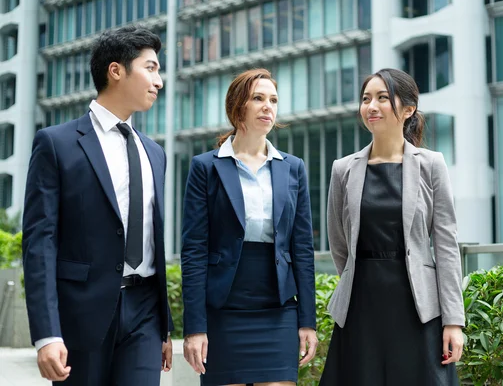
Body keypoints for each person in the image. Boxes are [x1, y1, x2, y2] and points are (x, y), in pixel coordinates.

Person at [22, 26, 173, 385]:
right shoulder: (56, 144)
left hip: (145, 313)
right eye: (150, 68)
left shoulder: (155, 153)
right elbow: (39, 241)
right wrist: (47, 333)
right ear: (116, 70)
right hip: (81, 315)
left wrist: (164, 325)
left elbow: (152, 238)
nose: (159, 81)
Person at [320, 68, 465, 385]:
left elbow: (446, 246)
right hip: (361, 305)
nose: (371, 106)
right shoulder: (343, 170)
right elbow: (339, 244)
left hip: (418, 306)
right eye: (365, 99)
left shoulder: (431, 165)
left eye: (382, 98)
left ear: (408, 109)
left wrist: (453, 321)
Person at [180, 68, 318, 386]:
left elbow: (302, 250)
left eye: (273, 99)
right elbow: (194, 251)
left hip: (279, 310)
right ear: (238, 105)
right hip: (223, 310)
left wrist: (307, 321)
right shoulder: (206, 167)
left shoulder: (293, 168)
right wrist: (194, 327)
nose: (268, 106)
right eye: (258, 98)